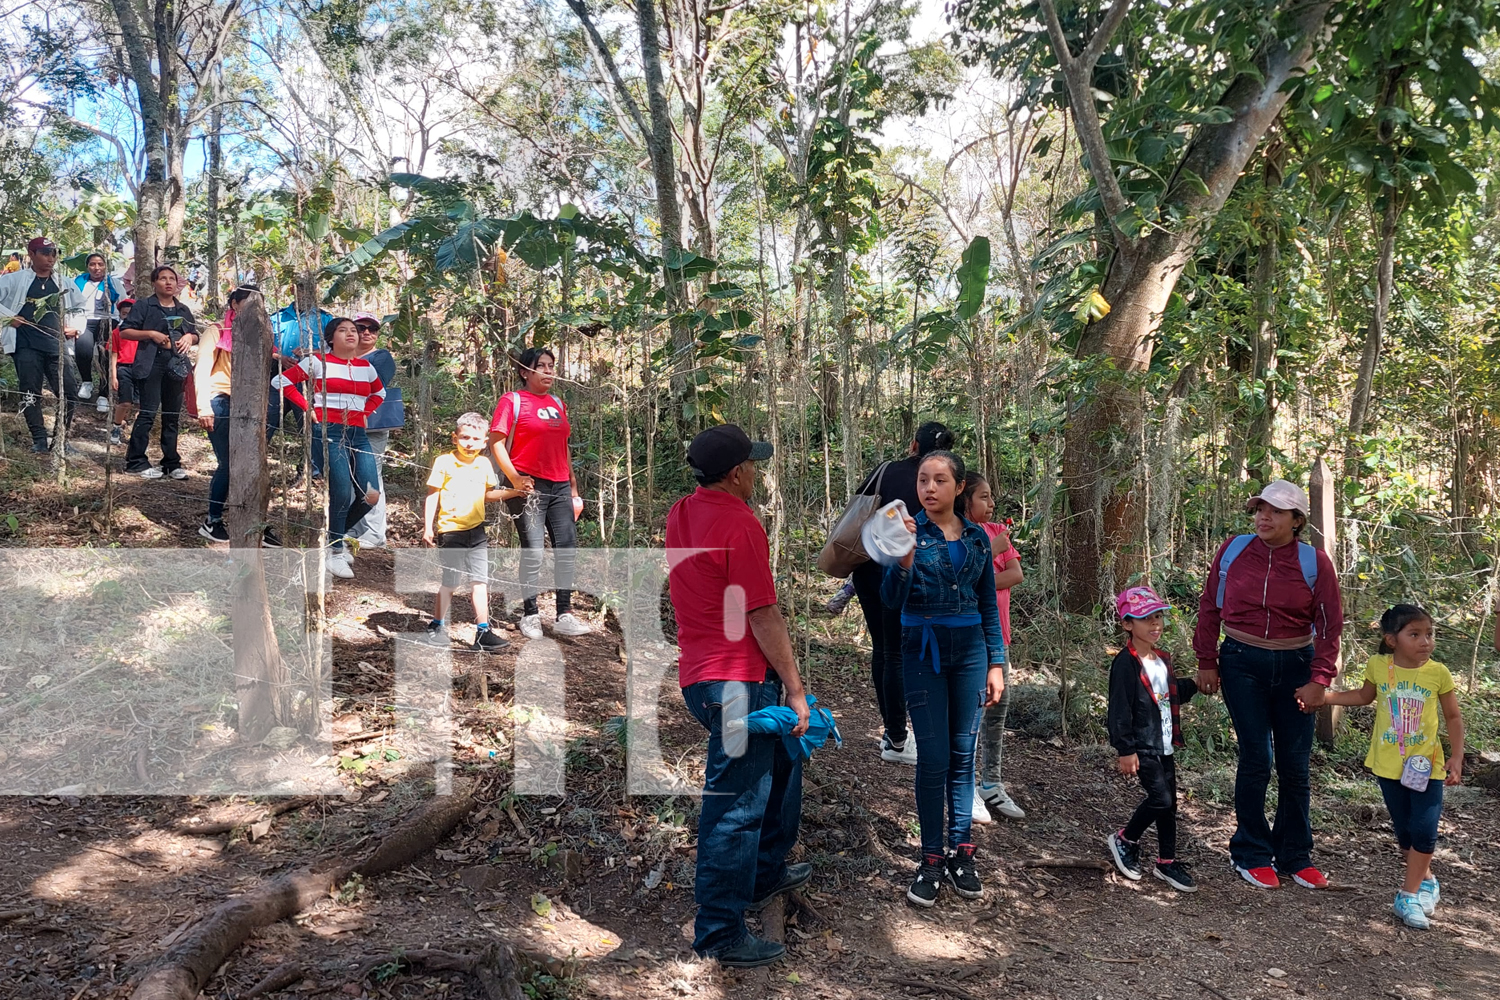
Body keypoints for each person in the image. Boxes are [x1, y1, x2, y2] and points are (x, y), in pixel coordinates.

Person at [666, 423, 811, 968]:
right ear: (736, 474)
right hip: (735, 683)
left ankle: (765, 872)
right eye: (753, 464)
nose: (757, 472)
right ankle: (720, 932)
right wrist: (794, 690)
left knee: (783, 762)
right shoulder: (740, 523)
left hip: (703, 677)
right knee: (735, 808)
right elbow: (761, 612)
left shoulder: (683, 511)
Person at [1194, 480, 1344, 890]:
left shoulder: (1315, 563)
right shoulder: (1234, 550)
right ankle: (1251, 852)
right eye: (1260, 508)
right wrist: (1207, 659)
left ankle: (1296, 855)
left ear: (1296, 521)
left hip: (1297, 664)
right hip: (1241, 661)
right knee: (1257, 758)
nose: (1264, 517)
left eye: (1276, 511)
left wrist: (1320, 680)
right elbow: (1210, 605)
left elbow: (1330, 627)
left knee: (1295, 766)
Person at [882, 450, 1006, 908]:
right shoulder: (904, 531)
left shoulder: (977, 536)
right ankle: (930, 857)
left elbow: (988, 604)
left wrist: (996, 662)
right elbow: (890, 601)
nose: (929, 488)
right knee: (932, 757)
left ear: (958, 487)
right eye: (922, 480)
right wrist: (904, 558)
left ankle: (961, 853)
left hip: (971, 652)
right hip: (922, 651)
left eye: (939, 480)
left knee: (962, 755)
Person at [1320, 604, 1464, 930]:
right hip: (1388, 766)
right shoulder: (1378, 666)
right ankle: (1427, 882)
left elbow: (1453, 717)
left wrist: (1456, 757)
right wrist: (1327, 698)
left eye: (1429, 634)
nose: (1425, 641)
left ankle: (1406, 896)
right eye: (1415, 634)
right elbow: (1363, 696)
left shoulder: (1438, 673)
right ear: (1391, 640)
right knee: (1405, 835)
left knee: (1425, 830)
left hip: (1428, 766)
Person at [851, 420, 957, 766]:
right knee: (905, 653)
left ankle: (895, 734)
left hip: (868, 569)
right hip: (910, 574)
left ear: (913, 444)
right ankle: (902, 737)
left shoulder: (886, 471)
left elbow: (860, 509)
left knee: (885, 649)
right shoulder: (944, 485)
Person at [272, 317, 385, 579]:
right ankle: (335, 551)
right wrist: (307, 406)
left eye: (354, 331)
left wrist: (367, 411)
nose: (351, 334)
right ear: (330, 338)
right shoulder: (318, 362)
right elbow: (282, 381)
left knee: (371, 495)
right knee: (342, 493)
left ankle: (334, 538)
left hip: (358, 434)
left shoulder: (365, 367)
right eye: (343, 330)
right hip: (329, 431)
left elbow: (379, 394)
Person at [488, 346, 588, 639]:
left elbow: (564, 447)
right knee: (533, 550)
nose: (548, 371)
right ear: (525, 372)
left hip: (559, 485)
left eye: (551, 365)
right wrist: (515, 479)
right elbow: (496, 442)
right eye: (541, 366)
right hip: (528, 486)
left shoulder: (558, 402)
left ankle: (564, 614)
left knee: (566, 549)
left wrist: (573, 487)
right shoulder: (512, 401)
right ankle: (530, 614)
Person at [1105, 586, 1200, 892]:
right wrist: (1126, 749)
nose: (1155, 623)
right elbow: (1120, 710)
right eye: (1145, 618)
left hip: (1165, 744)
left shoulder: (1162, 660)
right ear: (1127, 624)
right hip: (1143, 746)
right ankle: (1125, 839)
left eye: (1157, 616)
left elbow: (1168, 695)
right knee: (1161, 799)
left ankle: (1166, 862)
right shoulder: (1126, 664)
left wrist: (1198, 683)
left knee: (1168, 806)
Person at [422, 412, 523, 653]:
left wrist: (514, 492)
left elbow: (488, 495)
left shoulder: (484, 464)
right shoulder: (444, 462)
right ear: (454, 438)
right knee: (451, 582)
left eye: (476, 439)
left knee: (480, 583)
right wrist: (428, 527)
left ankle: (483, 632)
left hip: (477, 533)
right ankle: (436, 626)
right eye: (465, 437)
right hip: (451, 531)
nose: (470, 443)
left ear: (485, 441)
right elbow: (433, 494)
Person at [957, 471, 1026, 823]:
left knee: (999, 709)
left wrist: (988, 563)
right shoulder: (960, 533)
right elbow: (959, 585)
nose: (991, 503)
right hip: (970, 636)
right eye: (983, 496)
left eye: (991, 497)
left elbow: (1015, 575)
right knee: (973, 712)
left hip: (1000, 635)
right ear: (964, 498)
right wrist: (988, 555)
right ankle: (964, 786)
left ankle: (992, 782)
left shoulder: (998, 532)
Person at [194, 285, 282, 547]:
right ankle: (213, 521)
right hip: (220, 398)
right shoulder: (217, 330)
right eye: (249, 303)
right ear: (234, 305)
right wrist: (203, 407)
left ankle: (256, 523)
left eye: (261, 305)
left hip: (253, 403)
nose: (257, 310)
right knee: (230, 463)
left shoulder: (262, 334)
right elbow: (202, 367)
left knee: (255, 461)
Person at [0, 237, 83, 453]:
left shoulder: (65, 283)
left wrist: (75, 327)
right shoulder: (15, 280)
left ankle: (61, 439)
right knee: (30, 391)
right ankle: (39, 439)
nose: (50, 258)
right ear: (32, 253)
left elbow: (80, 308)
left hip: (56, 343)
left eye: (54, 253)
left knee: (69, 391)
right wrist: (10, 317)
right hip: (25, 344)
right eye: (45, 252)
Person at [121, 265, 199, 478]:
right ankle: (136, 461)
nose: (168, 282)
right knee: (148, 413)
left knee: (172, 415)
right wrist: (151, 334)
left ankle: (171, 463)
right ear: (154, 283)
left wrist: (188, 338)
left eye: (172, 279)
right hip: (150, 364)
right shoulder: (145, 306)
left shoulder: (182, 310)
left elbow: (195, 334)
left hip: (177, 366)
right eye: (163, 278)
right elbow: (125, 331)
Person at [349, 312, 399, 547]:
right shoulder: (340, 357)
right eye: (361, 328)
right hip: (343, 422)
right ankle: (355, 528)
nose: (367, 332)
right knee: (348, 476)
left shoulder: (381, 357)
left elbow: (371, 384)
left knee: (370, 474)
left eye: (372, 329)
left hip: (372, 425)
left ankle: (374, 533)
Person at [72, 252, 125, 408]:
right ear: (87, 266)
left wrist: (123, 324)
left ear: (105, 266)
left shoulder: (114, 283)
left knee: (106, 356)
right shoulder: (78, 282)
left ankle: (103, 395)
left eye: (100, 264)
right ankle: (87, 381)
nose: (96, 268)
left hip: (108, 320)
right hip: (85, 320)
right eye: (92, 264)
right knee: (83, 349)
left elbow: (124, 303)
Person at [107, 298, 137, 446]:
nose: (127, 316)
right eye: (124, 314)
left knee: (141, 403)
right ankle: (116, 427)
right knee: (125, 402)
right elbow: (113, 354)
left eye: (130, 314)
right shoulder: (116, 332)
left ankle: (136, 432)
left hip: (141, 368)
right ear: (120, 315)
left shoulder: (142, 331)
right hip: (124, 368)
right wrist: (114, 376)